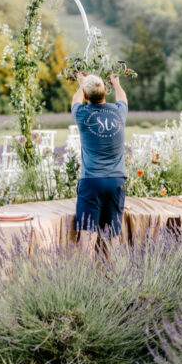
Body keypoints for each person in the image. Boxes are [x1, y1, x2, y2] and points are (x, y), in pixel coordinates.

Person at [71, 71, 128, 251]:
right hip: (116, 182)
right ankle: (118, 278)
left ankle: (84, 279)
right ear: (105, 90)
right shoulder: (119, 113)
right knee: (113, 240)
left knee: (87, 241)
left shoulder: (81, 115)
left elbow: (75, 101)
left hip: (91, 182)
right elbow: (123, 98)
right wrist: (116, 83)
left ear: (86, 95)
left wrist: (81, 84)